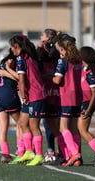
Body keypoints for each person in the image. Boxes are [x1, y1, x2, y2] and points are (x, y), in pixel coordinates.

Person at [6, 35, 46, 166]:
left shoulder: (21, 59)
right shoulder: (30, 57)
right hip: (31, 95)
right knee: (23, 123)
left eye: (12, 47)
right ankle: (29, 151)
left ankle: (39, 155)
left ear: (16, 46)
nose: (11, 50)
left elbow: (21, 79)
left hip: (35, 95)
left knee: (34, 125)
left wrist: (23, 95)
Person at [52, 33, 83, 166]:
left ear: (62, 48)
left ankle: (74, 153)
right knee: (74, 128)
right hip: (78, 97)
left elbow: (57, 80)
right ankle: (77, 158)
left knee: (63, 127)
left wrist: (48, 77)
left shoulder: (63, 61)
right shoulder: (78, 60)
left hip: (66, 98)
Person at [0, 49, 23, 164]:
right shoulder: (14, 65)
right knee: (21, 123)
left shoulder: (1, 65)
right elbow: (20, 79)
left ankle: (5, 154)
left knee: (3, 127)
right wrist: (9, 72)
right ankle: (20, 150)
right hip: (7, 96)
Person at [36, 28, 61, 163]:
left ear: (48, 39)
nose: (40, 38)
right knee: (50, 122)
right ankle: (55, 150)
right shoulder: (43, 53)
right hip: (49, 91)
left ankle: (53, 150)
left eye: (43, 36)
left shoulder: (54, 53)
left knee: (51, 122)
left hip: (51, 92)